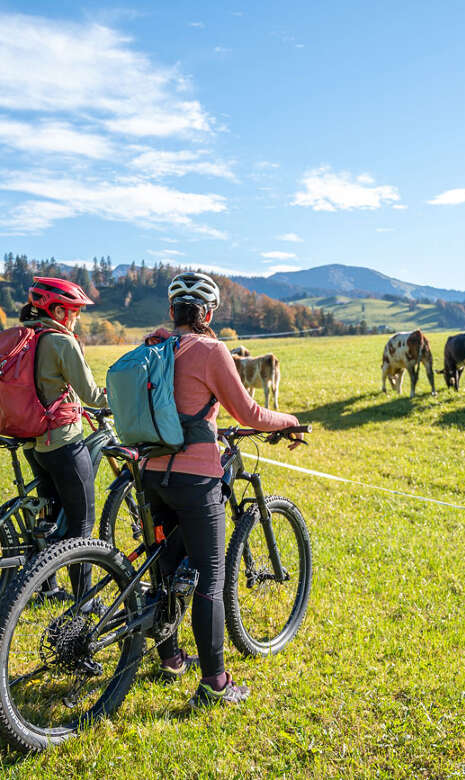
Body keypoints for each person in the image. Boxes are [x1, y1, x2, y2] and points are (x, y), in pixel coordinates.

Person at [142, 271, 303, 708]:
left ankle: (171, 657)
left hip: (151, 473)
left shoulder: (153, 345)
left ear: (173, 312)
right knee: (210, 579)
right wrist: (289, 420)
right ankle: (215, 683)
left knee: (165, 567)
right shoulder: (211, 349)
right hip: (195, 478)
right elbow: (249, 412)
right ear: (208, 313)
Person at [20, 277, 109, 609]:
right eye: (74, 311)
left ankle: (46, 587)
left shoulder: (28, 336)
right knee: (81, 524)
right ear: (57, 310)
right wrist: (117, 397)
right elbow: (91, 395)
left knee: (49, 515)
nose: (77, 318)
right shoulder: (61, 341)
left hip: (34, 443)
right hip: (64, 443)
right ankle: (84, 602)